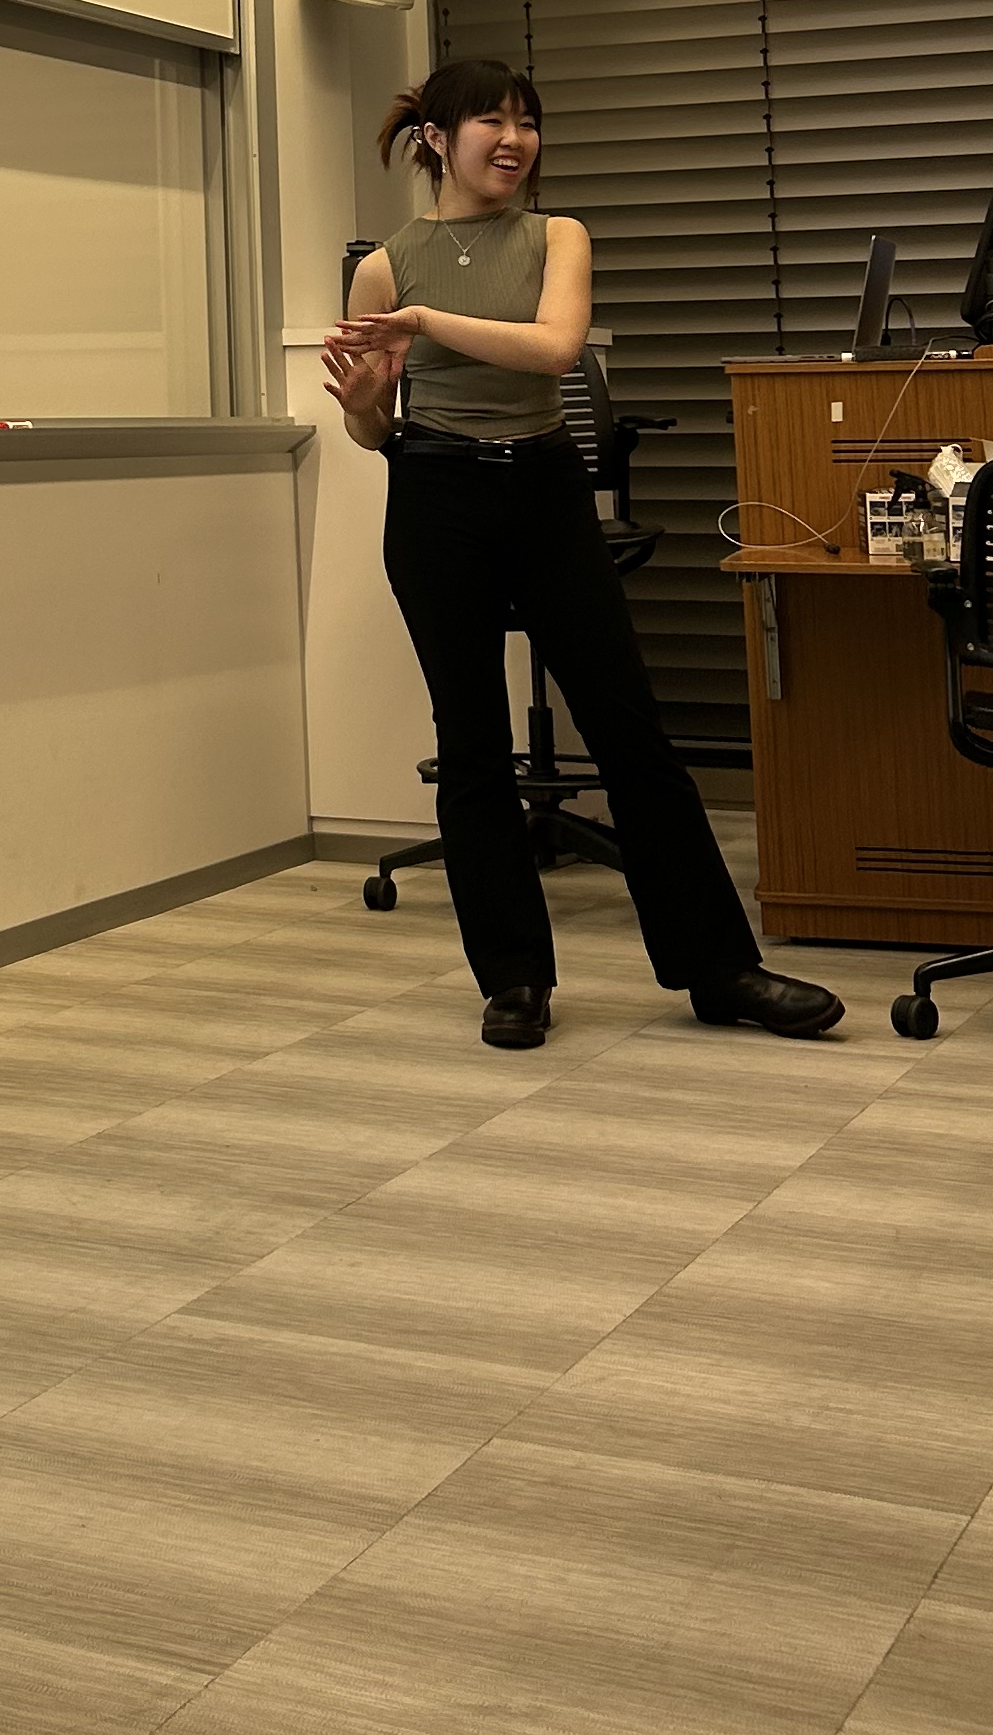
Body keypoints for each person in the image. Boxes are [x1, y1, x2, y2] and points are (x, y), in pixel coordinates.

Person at [325, 55, 843, 1054]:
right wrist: (365, 412)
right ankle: (513, 979)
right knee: (472, 745)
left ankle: (719, 968)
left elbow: (558, 350)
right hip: (434, 494)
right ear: (436, 138)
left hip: (546, 489)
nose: (513, 139)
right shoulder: (383, 265)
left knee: (631, 733)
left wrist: (429, 322)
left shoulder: (558, 237)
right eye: (490, 122)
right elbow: (376, 428)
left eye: (526, 121)